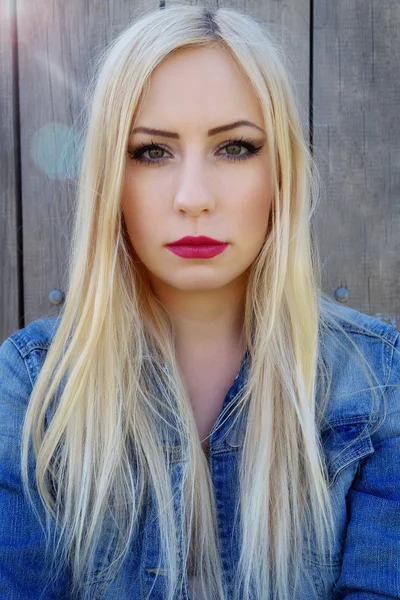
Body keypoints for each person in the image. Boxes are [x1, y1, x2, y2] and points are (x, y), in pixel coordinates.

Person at [0, 4, 399, 599]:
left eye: (235, 147)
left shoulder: (375, 378)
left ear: (281, 172)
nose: (193, 197)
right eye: (151, 152)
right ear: (112, 177)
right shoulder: (32, 386)